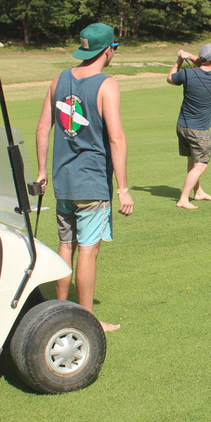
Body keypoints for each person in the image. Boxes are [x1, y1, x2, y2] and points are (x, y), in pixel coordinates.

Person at [36, 23, 134, 331]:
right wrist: (123, 188)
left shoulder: (59, 78)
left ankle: (60, 312)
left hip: (63, 182)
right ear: (108, 51)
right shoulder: (107, 84)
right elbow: (116, 138)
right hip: (91, 182)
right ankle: (87, 320)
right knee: (89, 250)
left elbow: (42, 129)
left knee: (67, 245)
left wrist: (41, 173)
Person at [168, 43, 211, 209]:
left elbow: (170, 78)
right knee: (201, 165)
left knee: (193, 160)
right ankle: (183, 199)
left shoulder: (187, 74)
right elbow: (206, 64)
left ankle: (198, 191)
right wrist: (190, 56)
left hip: (182, 126)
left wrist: (179, 60)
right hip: (199, 129)